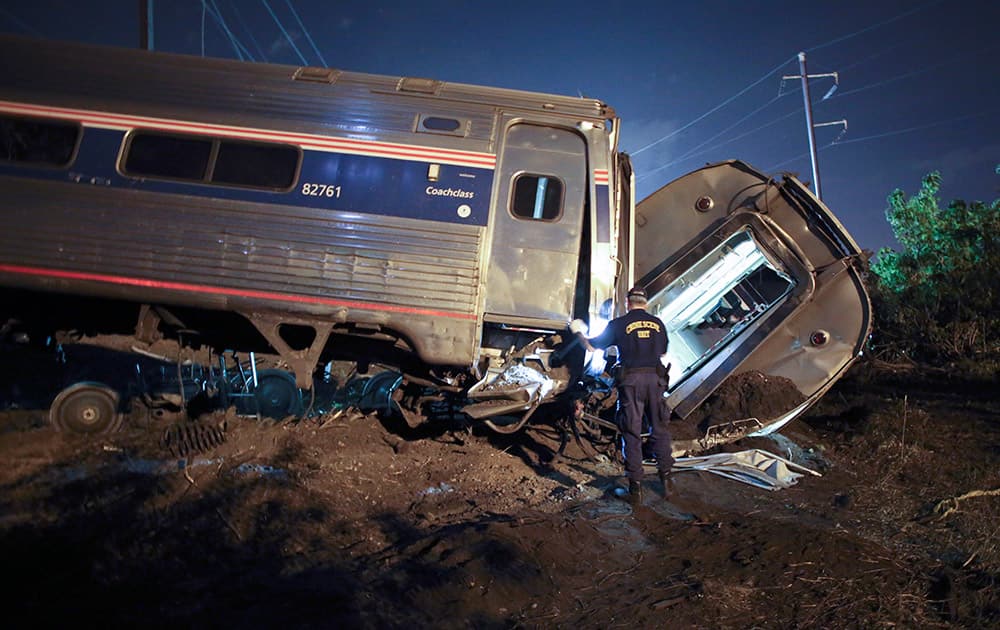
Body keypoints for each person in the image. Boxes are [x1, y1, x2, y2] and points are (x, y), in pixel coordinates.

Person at [571, 287, 673, 505]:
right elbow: (663, 352)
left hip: (632, 382)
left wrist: (577, 331)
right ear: (645, 303)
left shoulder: (618, 324)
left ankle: (635, 489)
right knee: (660, 429)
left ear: (628, 303)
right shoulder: (658, 324)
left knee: (632, 432)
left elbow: (590, 346)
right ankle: (668, 483)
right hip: (656, 380)